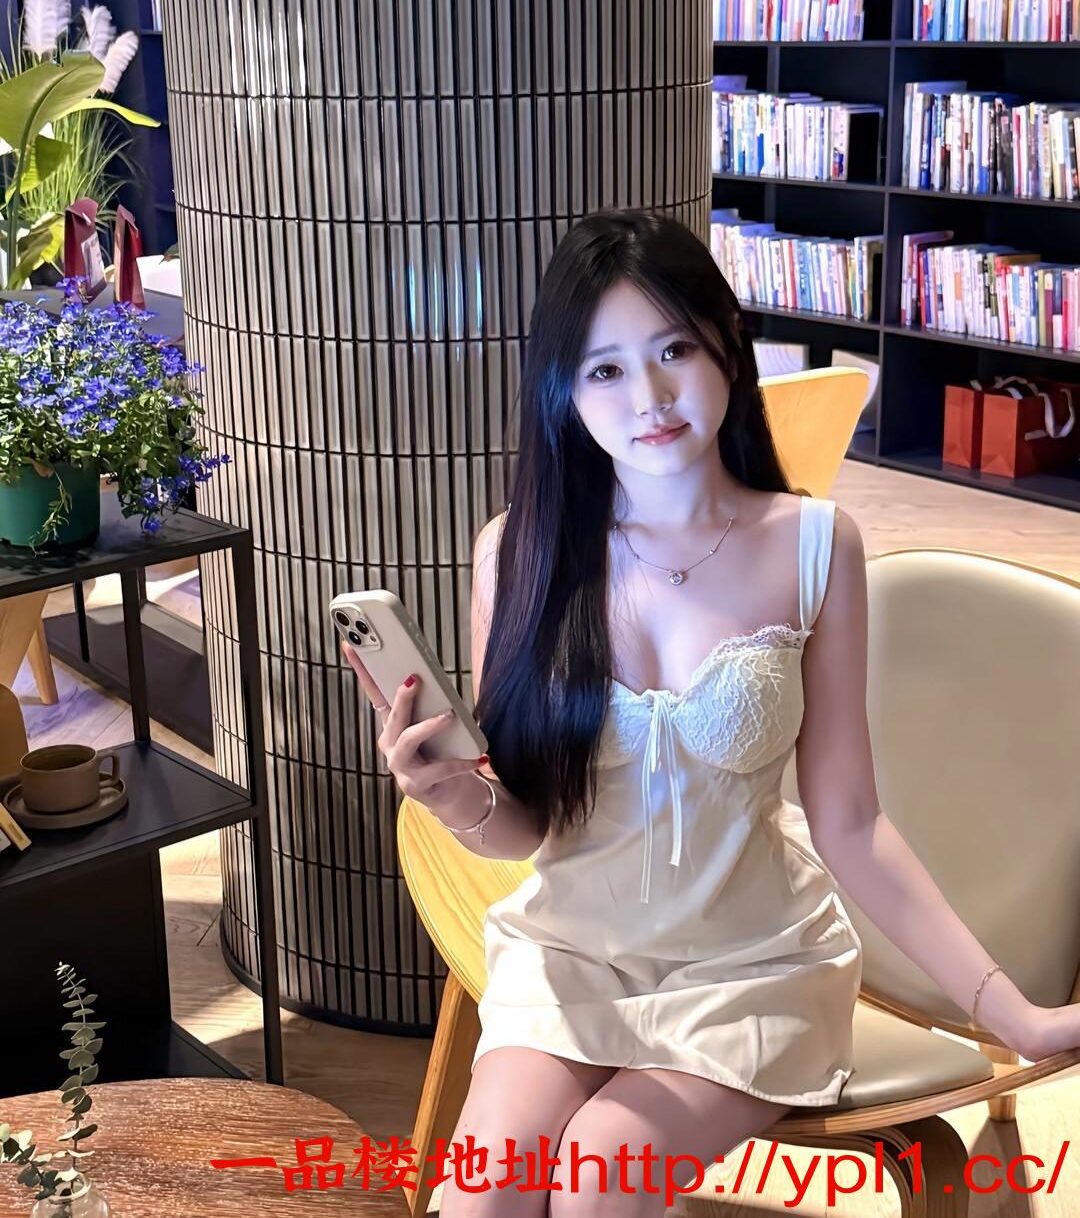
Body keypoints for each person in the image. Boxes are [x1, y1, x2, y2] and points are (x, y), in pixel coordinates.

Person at [344, 209, 1080, 1216]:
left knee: (600, 1175)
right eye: (605, 369)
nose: (648, 398)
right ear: (564, 390)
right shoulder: (517, 553)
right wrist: (449, 795)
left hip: (752, 966)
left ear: (728, 346)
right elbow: (524, 827)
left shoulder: (815, 545)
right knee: (485, 1193)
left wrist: (1012, 1014)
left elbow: (852, 823)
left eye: (673, 351)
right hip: (573, 952)